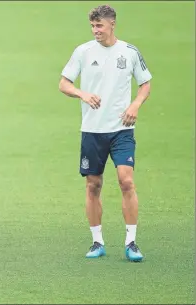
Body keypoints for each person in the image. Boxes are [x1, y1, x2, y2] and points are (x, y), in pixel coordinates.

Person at [58, 5, 152, 262]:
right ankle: (96, 241)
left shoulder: (129, 52)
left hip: (122, 129)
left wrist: (135, 104)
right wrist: (82, 93)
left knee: (126, 181)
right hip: (92, 130)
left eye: (99, 26)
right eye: (92, 26)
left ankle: (131, 242)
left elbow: (145, 83)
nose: (95, 31)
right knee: (93, 185)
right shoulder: (83, 52)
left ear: (112, 25)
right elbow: (63, 83)